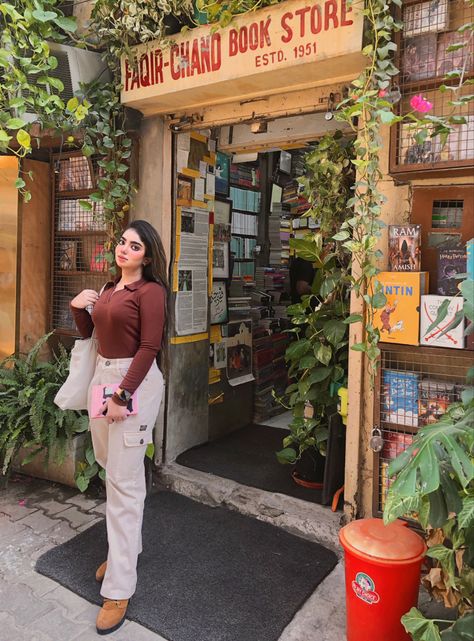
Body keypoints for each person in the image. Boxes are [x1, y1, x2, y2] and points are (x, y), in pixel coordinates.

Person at [70, 220, 167, 635]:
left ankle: (119, 587)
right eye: (123, 242)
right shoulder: (109, 289)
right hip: (101, 381)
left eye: (135, 245)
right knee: (113, 472)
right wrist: (78, 309)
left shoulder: (151, 292)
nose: (125, 249)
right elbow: (92, 336)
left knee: (125, 484)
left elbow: (149, 347)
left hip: (133, 386)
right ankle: (125, 549)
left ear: (147, 255)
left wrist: (123, 396)